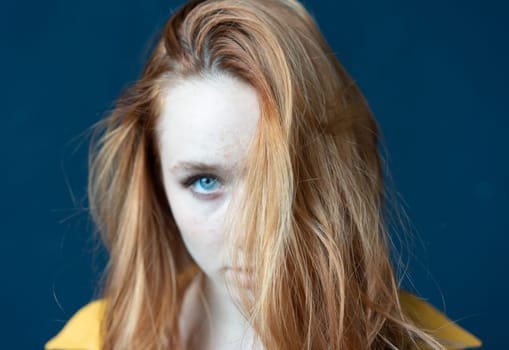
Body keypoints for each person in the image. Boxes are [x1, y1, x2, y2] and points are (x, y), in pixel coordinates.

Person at [46, 0, 482, 349]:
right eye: (204, 181)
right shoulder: (95, 341)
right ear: (156, 184)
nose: (247, 233)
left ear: (336, 175)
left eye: (277, 177)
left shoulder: (424, 344)